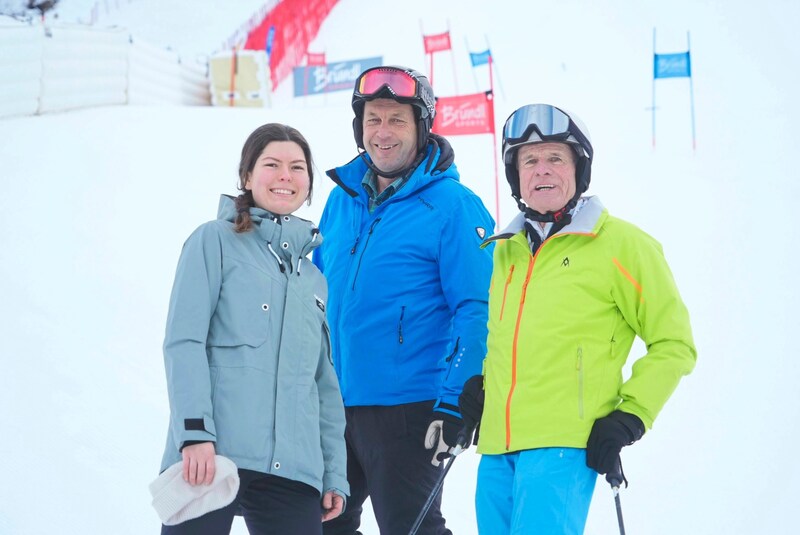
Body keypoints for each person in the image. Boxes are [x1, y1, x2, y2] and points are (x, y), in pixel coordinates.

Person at [457, 103, 697, 534]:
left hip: (562, 445)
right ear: (516, 176)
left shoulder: (621, 245)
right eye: (529, 160)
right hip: (496, 447)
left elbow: (674, 343)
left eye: (555, 158)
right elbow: (506, 338)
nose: (541, 170)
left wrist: (631, 415)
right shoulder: (505, 250)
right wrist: (483, 385)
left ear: (578, 170)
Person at [312, 66, 495, 535]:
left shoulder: (453, 205)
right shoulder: (342, 201)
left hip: (409, 409)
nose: (383, 132)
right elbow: (312, 296)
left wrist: (456, 399)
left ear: (421, 126)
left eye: (397, 119)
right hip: (335, 405)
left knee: (411, 529)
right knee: (322, 525)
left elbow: (477, 309)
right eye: (373, 119)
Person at [157, 123, 349, 534]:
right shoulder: (214, 241)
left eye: (297, 167)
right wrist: (194, 434)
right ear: (247, 176)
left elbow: (323, 383)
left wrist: (333, 472)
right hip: (213, 456)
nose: (286, 176)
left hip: (294, 471)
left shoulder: (312, 279)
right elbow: (184, 342)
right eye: (272, 164)